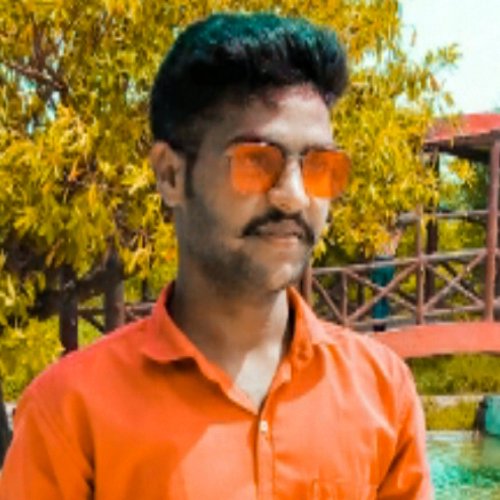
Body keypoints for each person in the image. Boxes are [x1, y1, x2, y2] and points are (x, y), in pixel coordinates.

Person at [0, 12, 432, 499]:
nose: (293, 196)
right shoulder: (69, 413)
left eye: (319, 166)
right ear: (170, 175)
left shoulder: (381, 392)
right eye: (256, 161)